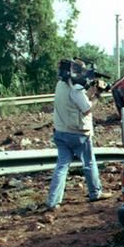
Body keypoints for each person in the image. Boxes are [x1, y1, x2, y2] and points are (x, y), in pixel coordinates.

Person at [46, 60, 112, 211]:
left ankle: (53, 201)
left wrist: (91, 90)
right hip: (78, 133)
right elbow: (87, 108)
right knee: (89, 163)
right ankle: (95, 192)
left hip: (61, 132)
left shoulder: (61, 85)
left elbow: (78, 100)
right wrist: (98, 94)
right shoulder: (76, 88)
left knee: (62, 166)